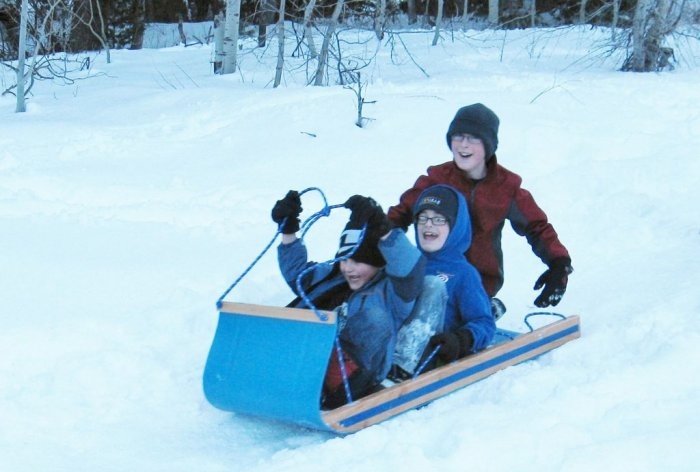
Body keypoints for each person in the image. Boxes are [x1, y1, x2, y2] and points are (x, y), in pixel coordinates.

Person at [387, 103, 573, 311]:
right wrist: (375, 230)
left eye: (473, 138)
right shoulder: (437, 179)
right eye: (458, 136)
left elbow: (537, 227)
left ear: (489, 144)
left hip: (480, 281)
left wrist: (559, 265)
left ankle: (484, 310)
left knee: (460, 315)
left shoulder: (506, 186)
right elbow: (400, 215)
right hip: (435, 275)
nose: (463, 145)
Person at [271, 190, 426, 408]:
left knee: (374, 317)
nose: (348, 268)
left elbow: (410, 267)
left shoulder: (392, 293)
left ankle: (331, 385)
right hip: (311, 358)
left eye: (359, 261)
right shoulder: (334, 276)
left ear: (379, 263)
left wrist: (383, 228)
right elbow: (299, 276)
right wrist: (288, 233)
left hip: (357, 371)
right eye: (344, 260)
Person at [391, 185, 495, 379]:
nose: (428, 225)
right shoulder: (407, 261)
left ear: (455, 227)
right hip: (388, 347)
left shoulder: (463, 273)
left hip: (427, 356)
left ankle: (400, 370)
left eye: (439, 219)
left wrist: (461, 339)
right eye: (423, 218)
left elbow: (485, 324)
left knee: (432, 286)